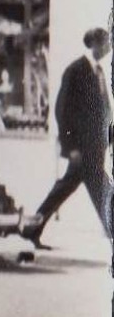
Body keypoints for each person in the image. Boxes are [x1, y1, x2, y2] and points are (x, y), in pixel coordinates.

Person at [23, 27, 113, 247]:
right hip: (81, 150)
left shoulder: (99, 73)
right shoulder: (75, 71)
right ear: (93, 44)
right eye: (105, 43)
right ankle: (31, 228)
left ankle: (31, 228)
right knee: (102, 191)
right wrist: (70, 146)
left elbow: (104, 110)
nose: (109, 48)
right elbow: (62, 110)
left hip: (95, 148)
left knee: (73, 190)